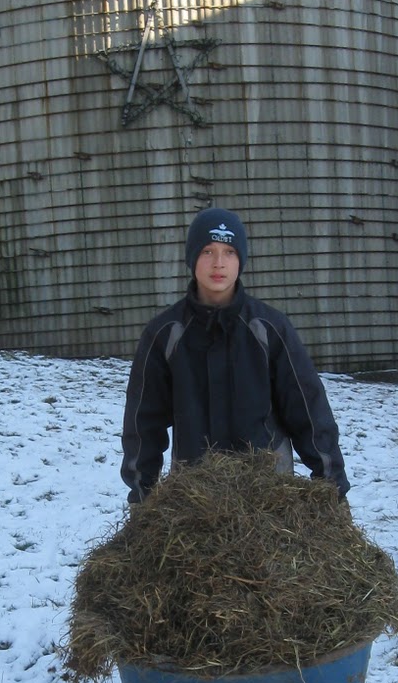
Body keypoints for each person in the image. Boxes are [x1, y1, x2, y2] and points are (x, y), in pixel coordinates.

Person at [121, 206, 349, 503]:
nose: (218, 263)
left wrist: (332, 487)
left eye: (229, 252)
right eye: (207, 251)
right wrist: (143, 496)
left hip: (269, 495)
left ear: (241, 259)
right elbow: (142, 424)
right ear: (192, 257)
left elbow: (309, 410)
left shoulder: (269, 328)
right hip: (194, 500)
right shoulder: (165, 333)